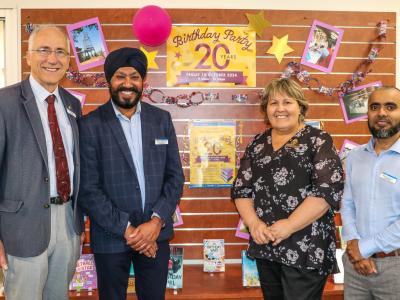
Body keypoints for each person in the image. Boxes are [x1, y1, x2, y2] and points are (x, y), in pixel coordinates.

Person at [78, 47, 184, 300]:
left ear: (143, 82)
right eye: (120, 76)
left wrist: (156, 222)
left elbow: (175, 177)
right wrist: (130, 231)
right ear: (109, 81)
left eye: (134, 76)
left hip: (155, 235)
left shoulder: (161, 119)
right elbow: (88, 189)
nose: (128, 83)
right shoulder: (90, 125)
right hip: (111, 236)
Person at [231, 78, 344, 300]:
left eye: (287, 102)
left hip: (306, 248)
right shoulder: (258, 143)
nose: (280, 108)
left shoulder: (318, 141)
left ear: (300, 107)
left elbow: (326, 192)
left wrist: (289, 226)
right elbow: (241, 190)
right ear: (266, 110)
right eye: (273, 103)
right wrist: (254, 224)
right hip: (266, 244)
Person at [0, 25, 84, 300]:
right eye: (44, 50)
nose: (53, 59)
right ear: (28, 56)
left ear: (69, 60)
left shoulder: (72, 104)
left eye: (60, 52)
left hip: (68, 226)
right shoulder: (5, 102)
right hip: (21, 229)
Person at [340, 86, 400, 299]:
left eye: (390, 107)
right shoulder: (355, 156)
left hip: (396, 268)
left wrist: (363, 248)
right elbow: (347, 203)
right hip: (355, 267)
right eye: (375, 107)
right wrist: (356, 249)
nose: (381, 113)